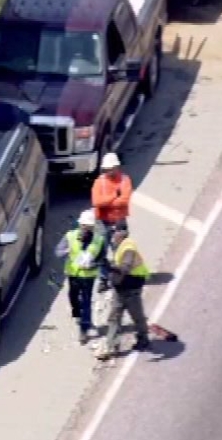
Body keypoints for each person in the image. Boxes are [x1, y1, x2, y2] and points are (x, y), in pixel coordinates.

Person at [98, 219, 151, 359]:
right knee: (114, 317)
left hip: (131, 288)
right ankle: (112, 347)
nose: (112, 235)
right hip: (120, 287)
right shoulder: (120, 245)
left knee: (137, 315)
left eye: (114, 232)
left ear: (122, 233)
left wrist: (111, 267)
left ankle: (143, 339)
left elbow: (125, 267)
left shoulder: (128, 247)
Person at [55, 209, 106, 344]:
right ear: (80, 225)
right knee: (73, 298)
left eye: (89, 227)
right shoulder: (70, 236)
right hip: (73, 275)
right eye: (84, 226)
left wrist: (93, 265)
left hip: (88, 276)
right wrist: (67, 250)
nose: (86, 229)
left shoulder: (99, 240)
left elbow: (102, 259)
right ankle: (78, 315)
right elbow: (57, 252)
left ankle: (84, 329)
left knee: (86, 301)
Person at [91, 152, 133, 286]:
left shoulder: (125, 180)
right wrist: (114, 196)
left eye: (111, 169)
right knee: (99, 252)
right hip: (102, 222)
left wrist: (107, 202)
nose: (108, 172)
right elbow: (96, 202)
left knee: (120, 252)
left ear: (117, 167)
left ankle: (120, 277)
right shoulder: (99, 182)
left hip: (119, 222)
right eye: (106, 169)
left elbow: (124, 201)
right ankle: (103, 278)